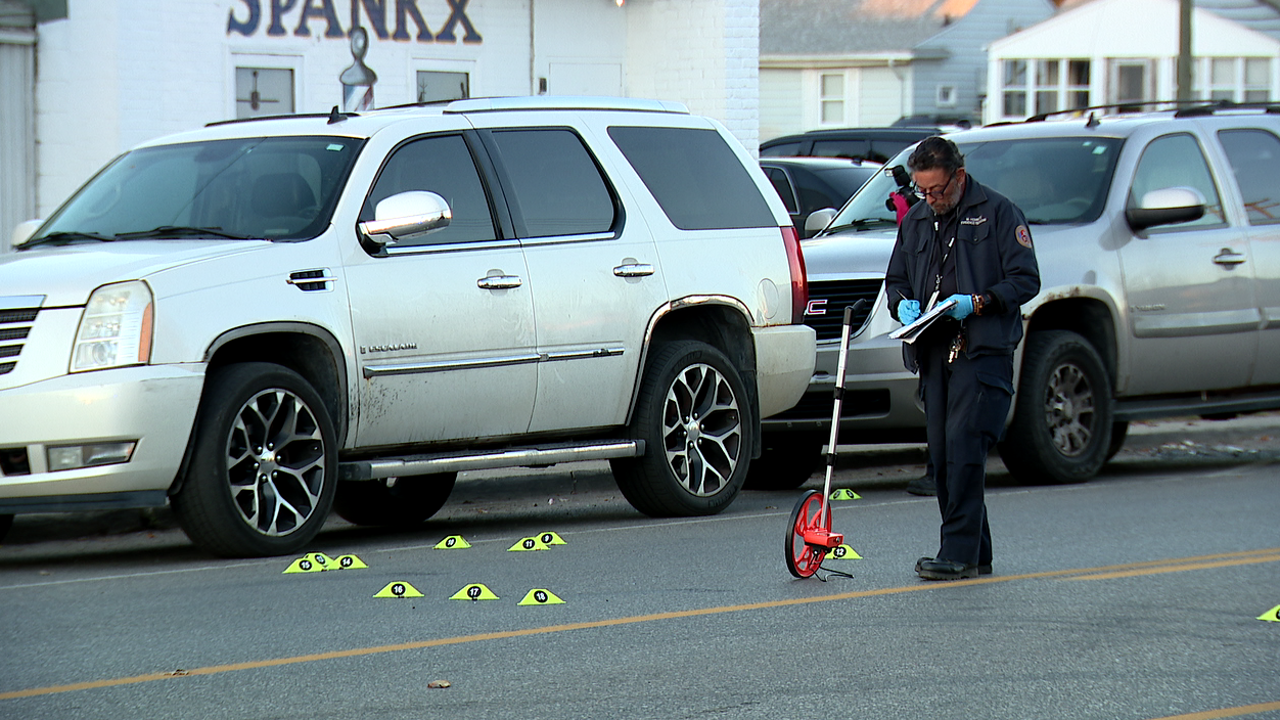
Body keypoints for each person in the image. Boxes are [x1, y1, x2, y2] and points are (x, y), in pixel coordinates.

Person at [884, 137, 1040, 581]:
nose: (930, 199)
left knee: (964, 448)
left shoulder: (999, 213)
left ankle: (956, 552)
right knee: (944, 451)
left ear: (959, 176)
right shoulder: (915, 220)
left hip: (980, 349)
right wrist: (903, 305)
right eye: (922, 190)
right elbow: (896, 279)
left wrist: (979, 301)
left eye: (937, 190)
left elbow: (1026, 280)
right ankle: (978, 551)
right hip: (933, 351)